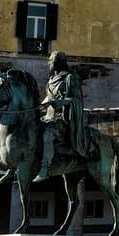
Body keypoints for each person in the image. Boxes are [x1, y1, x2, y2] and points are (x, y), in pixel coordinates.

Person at [34, 51, 93, 182]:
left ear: (58, 63)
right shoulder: (50, 81)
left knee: (47, 134)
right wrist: (37, 108)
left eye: (52, 62)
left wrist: (61, 102)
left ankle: (44, 170)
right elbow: (48, 99)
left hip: (63, 119)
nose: (49, 64)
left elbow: (77, 100)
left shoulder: (70, 79)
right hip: (49, 117)